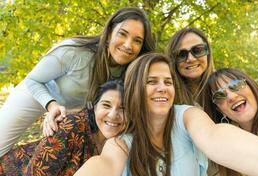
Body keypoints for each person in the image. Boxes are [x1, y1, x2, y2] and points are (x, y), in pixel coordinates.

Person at [41, 53, 258, 176]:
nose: (163, 87)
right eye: (151, 81)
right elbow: (103, 169)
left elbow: (216, 138)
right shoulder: (121, 143)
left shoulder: (187, 117)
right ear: (135, 90)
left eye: (168, 81)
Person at [0, 7, 155, 157]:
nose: (128, 45)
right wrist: (51, 105)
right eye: (123, 34)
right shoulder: (75, 51)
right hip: (36, 93)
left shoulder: (129, 72)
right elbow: (33, 80)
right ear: (108, 34)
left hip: (72, 110)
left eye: (137, 40)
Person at [0, 80, 126, 176]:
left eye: (123, 108)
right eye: (106, 105)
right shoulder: (72, 126)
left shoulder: (123, 145)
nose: (113, 114)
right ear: (94, 106)